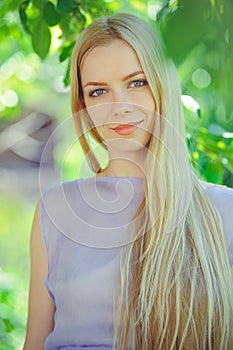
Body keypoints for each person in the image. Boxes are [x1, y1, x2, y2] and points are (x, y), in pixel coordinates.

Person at [23, 12, 233, 350]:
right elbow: (34, 342)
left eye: (137, 83)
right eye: (98, 92)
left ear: (162, 87)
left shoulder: (224, 212)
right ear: (83, 105)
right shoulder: (55, 210)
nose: (118, 106)